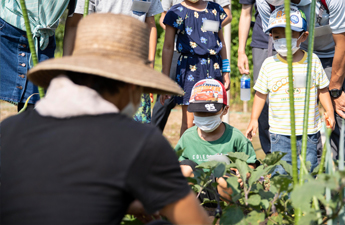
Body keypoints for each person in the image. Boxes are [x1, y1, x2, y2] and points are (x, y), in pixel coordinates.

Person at [1, 14, 211, 225]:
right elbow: (196, 222)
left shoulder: (9, 130)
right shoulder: (137, 141)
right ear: (132, 86)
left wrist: (120, 203)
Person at [245, 6, 335, 175]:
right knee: (281, 172)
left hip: (309, 131)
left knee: (307, 170)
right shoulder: (269, 64)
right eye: (278, 36)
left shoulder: (313, 61)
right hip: (280, 133)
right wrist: (254, 119)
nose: (283, 40)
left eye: (289, 35)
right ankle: (281, 201)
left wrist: (329, 110)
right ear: (271, 36)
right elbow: (260, 94)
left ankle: (305, 200)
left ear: (303, 36)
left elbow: (322, 89)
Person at [63, 0, 163, 124]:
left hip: (136, 69)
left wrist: (150, 66)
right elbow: (75, 23)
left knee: (136, 128)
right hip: (100, 70)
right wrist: (68, 69)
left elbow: (150, 24)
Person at [151, 0, 232, 132]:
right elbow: (168, 47)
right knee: (189, 124)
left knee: (215, 120)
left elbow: (221, 42)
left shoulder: (215, 9)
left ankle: (213, 153)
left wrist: (226, 71)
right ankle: (187, 153)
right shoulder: (175, 12)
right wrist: (165, 79)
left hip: (213, 67)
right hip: (189, 70)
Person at [175, 79, 257, 201]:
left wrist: (246, 172)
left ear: (225, 110)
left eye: (210, 112)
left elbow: (251, 162)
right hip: (198, 190)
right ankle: (190, 209)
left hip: (225, 191)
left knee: (224, 180)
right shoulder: (187, 137)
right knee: (183, 170)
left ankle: (227, 213)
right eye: (200, 112)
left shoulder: (235, 137)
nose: (205, 117)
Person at [0, 0, 76, 112]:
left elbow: (74, 22)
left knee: (35, 110)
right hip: (7, 33)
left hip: (43, 42)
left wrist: (67, 71)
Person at [237, 0, 274, 155]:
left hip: (294, 40)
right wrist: (241, 51)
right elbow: (246, 14)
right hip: (263, 44)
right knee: (263, 99)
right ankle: (271, 155)